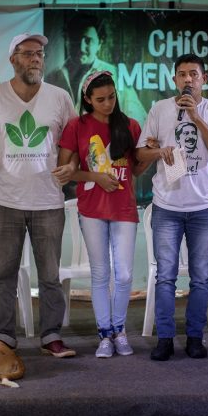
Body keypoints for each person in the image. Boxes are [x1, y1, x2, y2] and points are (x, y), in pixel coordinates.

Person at [0, 33, 77, 357]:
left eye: (39, 53)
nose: (35, 59)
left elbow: (75, 142)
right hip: (5, 201)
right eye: (28, 54)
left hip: (48, 201)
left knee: (51, 275)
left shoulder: (59, 97)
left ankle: (51, 335)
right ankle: (4, 336)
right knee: (4, 274)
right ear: (13, 59)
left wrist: (72, 166)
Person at [136, 53, 208, 361]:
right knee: (165, 275)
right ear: (175, 80)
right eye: (181, 74)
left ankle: (194, 337)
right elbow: (140, 153)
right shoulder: (160, 109)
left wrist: (197, 118)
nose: (187, 79)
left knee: (200, 276)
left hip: (204, 206)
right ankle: (164, 338)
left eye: (193, 74)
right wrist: (158, 151)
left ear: (204, 79)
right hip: (167, 206)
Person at [57, 71, 154, 358]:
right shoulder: (76, 126)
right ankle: (104, 335)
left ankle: (119, 330)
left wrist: (151, 156)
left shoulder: (131, 126)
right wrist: (96, 177)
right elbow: (66, 171)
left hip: (123, 208)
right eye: (100, 99)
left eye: (112, 97)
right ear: (87, 100)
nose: (108, 103)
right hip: (92, 208)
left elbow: (135, 169)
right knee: (100, 273)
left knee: (124, 274)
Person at [46, 13, 146, 124]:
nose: (81, 47)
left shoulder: (115, 75)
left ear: (99, 43)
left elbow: (137, 118)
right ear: (67, 40)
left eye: (88, 40)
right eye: (75, 39)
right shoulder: (52, 78)